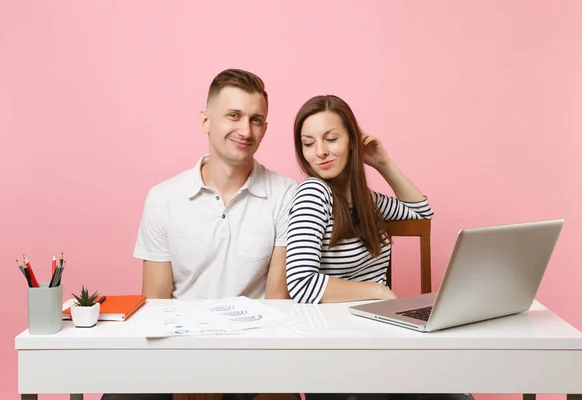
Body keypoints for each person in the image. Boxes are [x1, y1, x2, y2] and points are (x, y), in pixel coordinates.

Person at [101, 69, 297, 400]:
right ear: (206, 121)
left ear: (265, 129)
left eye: (256, 120)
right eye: (233, 115)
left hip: (255, 360)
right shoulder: (163, 198)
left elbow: (279, 303)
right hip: (179, 354)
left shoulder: (286, 195)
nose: (245, 130)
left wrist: (248, 377)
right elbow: (157, 303)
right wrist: (186, 373)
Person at [285, 94, 473, 400]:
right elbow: (301, 284)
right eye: (308, 143)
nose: (319, 152)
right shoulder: (312, 194)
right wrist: (376, 292)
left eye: (331, 138)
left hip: (377, 336)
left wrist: (383, 163)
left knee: (456, 397)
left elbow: (421, 213)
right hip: (337, 347)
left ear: (352, 142)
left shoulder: (366, 201)